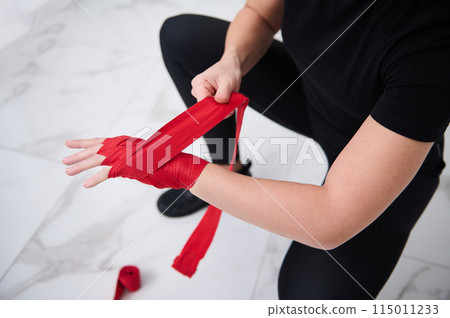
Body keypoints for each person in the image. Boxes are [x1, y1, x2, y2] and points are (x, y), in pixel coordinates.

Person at [64, 0, 449, 299]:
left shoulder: (435, 43)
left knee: (307, 302)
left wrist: (177, 168)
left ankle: (219, 178)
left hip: (385, 167)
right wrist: (232, 61)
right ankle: (228, 167)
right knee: (182, 37)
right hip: (318, 96)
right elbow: (261, 15)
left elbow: (332, 216)